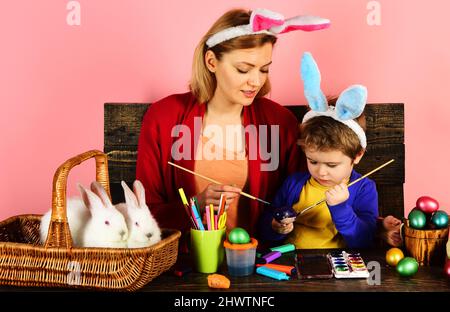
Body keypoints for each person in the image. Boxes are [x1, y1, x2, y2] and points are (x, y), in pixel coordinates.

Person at [135, 9, 330, 245]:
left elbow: (307, 197)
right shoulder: (163, 117)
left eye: (264, 69)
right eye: (243, 69)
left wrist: (374, 225)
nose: (256, 81)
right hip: (184, 265)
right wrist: (193, 206)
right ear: (211, 61)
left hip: (262, 263)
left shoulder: (281, 122)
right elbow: (144, 214)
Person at [259, 52, 379, 249]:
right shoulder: (294, 184)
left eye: (332, 165)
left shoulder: (363, 189)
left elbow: (364, 241)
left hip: (338, 271)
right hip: (289, 264)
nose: (321, 172)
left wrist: (341, 208)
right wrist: (274, 227)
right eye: (313, 161)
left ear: (357, 155)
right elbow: (264, 228)